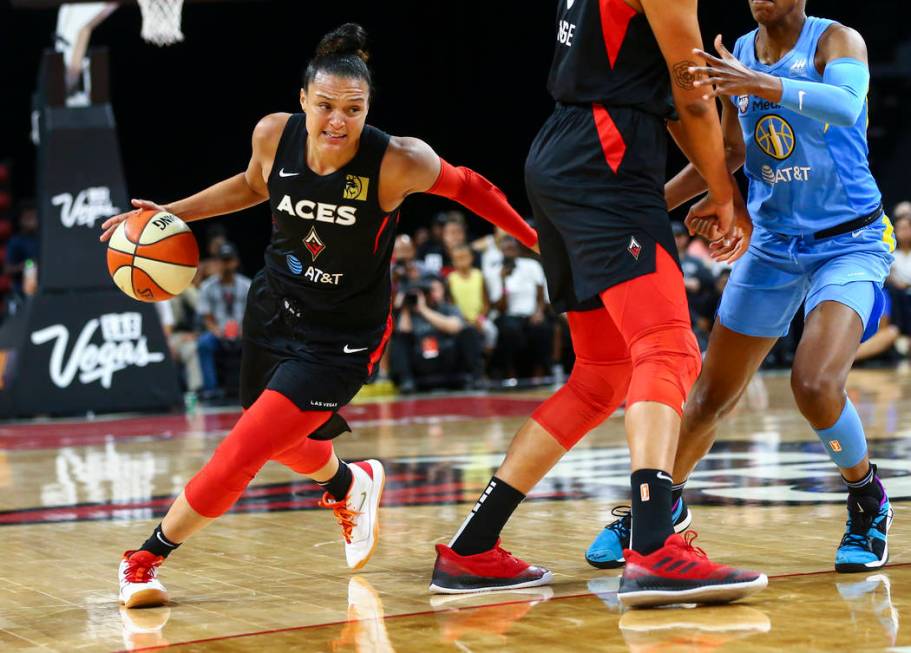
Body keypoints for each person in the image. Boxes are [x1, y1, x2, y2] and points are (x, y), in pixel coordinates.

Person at [100, 23, 538, 609]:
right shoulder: (273, 135)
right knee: (279, 441)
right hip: (273, 308)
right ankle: (347, 483)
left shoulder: (397, 161)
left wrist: (537, 240)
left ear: (367, 109)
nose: (337, 120)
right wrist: (172, 213)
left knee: (241, 451)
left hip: (342, 337)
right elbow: (253, 186)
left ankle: (144, 559)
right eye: (325, 106)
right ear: (303, 100)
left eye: (352, 110)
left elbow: (472, 188)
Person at [431, 0, 766, 607]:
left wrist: (721, 177)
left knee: (601, 375)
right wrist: (724, 194)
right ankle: (655, 546)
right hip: (604, 157)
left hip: (567, 153)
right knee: (667, 348)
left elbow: (663, 92)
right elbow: (690, 94)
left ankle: (472, 548)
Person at [588, 0, 895, 576]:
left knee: (814, 382)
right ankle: (658, 510)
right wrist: (645, 209)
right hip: (775, 245)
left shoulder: (836, 42)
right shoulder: (741, 56)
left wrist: (762, 84)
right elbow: (731, 151)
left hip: (848, 242)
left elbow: (849, 107)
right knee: (706, 398)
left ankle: (867, 500)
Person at [390, 275, 482, 392]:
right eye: (427, 290)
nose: (431, 294)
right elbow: (403, 333)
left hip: (448, 359)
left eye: (435, 289)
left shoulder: (449, 308)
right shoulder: (410, 312)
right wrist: (406, 308)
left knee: (469, 332)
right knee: (399, 339)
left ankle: (475, 378)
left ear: (443, 290)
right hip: (422, 361)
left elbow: (455, 327)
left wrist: (423, 310)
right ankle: (406, 381)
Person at [486, 236, 552, 380]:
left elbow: (541, 292)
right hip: (509, 315)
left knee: (542, 328)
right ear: (500, 251)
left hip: (532, 313)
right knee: (510, 330)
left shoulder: (532, 265)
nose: (509, 252)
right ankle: (511, 372)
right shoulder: (495, 271)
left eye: (512, 248)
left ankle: (539, 372)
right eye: (505, 249)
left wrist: (539, 312)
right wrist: (503, 281)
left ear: (518, 249)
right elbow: (500, 308)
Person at [196, 241, 252, 398]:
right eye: (223, 260)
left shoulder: (247, 285)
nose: (226, 265)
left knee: (259, 342)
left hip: (243, 330)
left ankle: (255, 386)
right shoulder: (207, 286)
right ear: (217, 262)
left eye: (229, 260)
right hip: (218, 331)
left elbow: (253, 315)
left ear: (236, 262)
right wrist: (217, 331)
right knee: (203, 344)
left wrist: (243, 331)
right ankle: (210, 389)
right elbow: (206, 317)